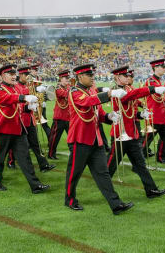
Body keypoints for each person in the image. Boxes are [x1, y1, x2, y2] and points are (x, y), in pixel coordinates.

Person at [64, 63, 134, 215]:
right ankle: (69, 199)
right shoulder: (74, 91)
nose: (92, 77)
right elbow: (87, 102)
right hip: (80, 139)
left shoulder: (91, 91)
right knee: (74, 173)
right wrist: (109, 94)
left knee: (103, 174)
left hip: (95, 140)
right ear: (80, 76)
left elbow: (99, 113)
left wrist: (109, 117)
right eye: (89, 75)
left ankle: (116, 204)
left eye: (92, 75)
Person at [107, 66, 165, 198]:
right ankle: (103, 184)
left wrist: (140, 114)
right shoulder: (115, 91)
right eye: (124, 76)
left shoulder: (126, 89)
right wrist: (152, 89)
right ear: (117, 77)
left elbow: (131, 109)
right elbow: (133, 95)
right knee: (111, 164)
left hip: (131, 133)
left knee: (140, 164)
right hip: (120, 134)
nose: (128, 78)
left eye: (128, 76)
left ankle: (151, 190)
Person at [0, 64, 50, 193]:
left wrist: (27, 108)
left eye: (14, 74)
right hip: (4, 129)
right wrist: (24, 98)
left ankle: (35, 185)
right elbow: (7, 99)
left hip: (18, 129)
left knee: (25, 158)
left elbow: (16, 107)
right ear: (2, 76)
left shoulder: (13, 89)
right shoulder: (0, 89)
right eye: (10, 74)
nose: (14, 76)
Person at [16, 66, 55, 173]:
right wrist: (35, 89)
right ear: (20, 75)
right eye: (26, 75)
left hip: (30, 119)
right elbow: (21, 94)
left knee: (35, 144)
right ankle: (11, 162)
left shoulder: (28, 85)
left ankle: (44, 165)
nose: (29, 77)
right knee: (17, 145)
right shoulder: (16, 86)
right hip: (20, 120)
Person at [47, 69, 71, 160]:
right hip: (59, 117)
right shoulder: (57, 88)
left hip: (69, 117)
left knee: (72, 137)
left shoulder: (68, 87)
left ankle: (74, 153)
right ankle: (51, 154)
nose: (67, 80)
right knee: (54, 137)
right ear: (60, 79)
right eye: (66, 78)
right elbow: (66, 94)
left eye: (68, 78)